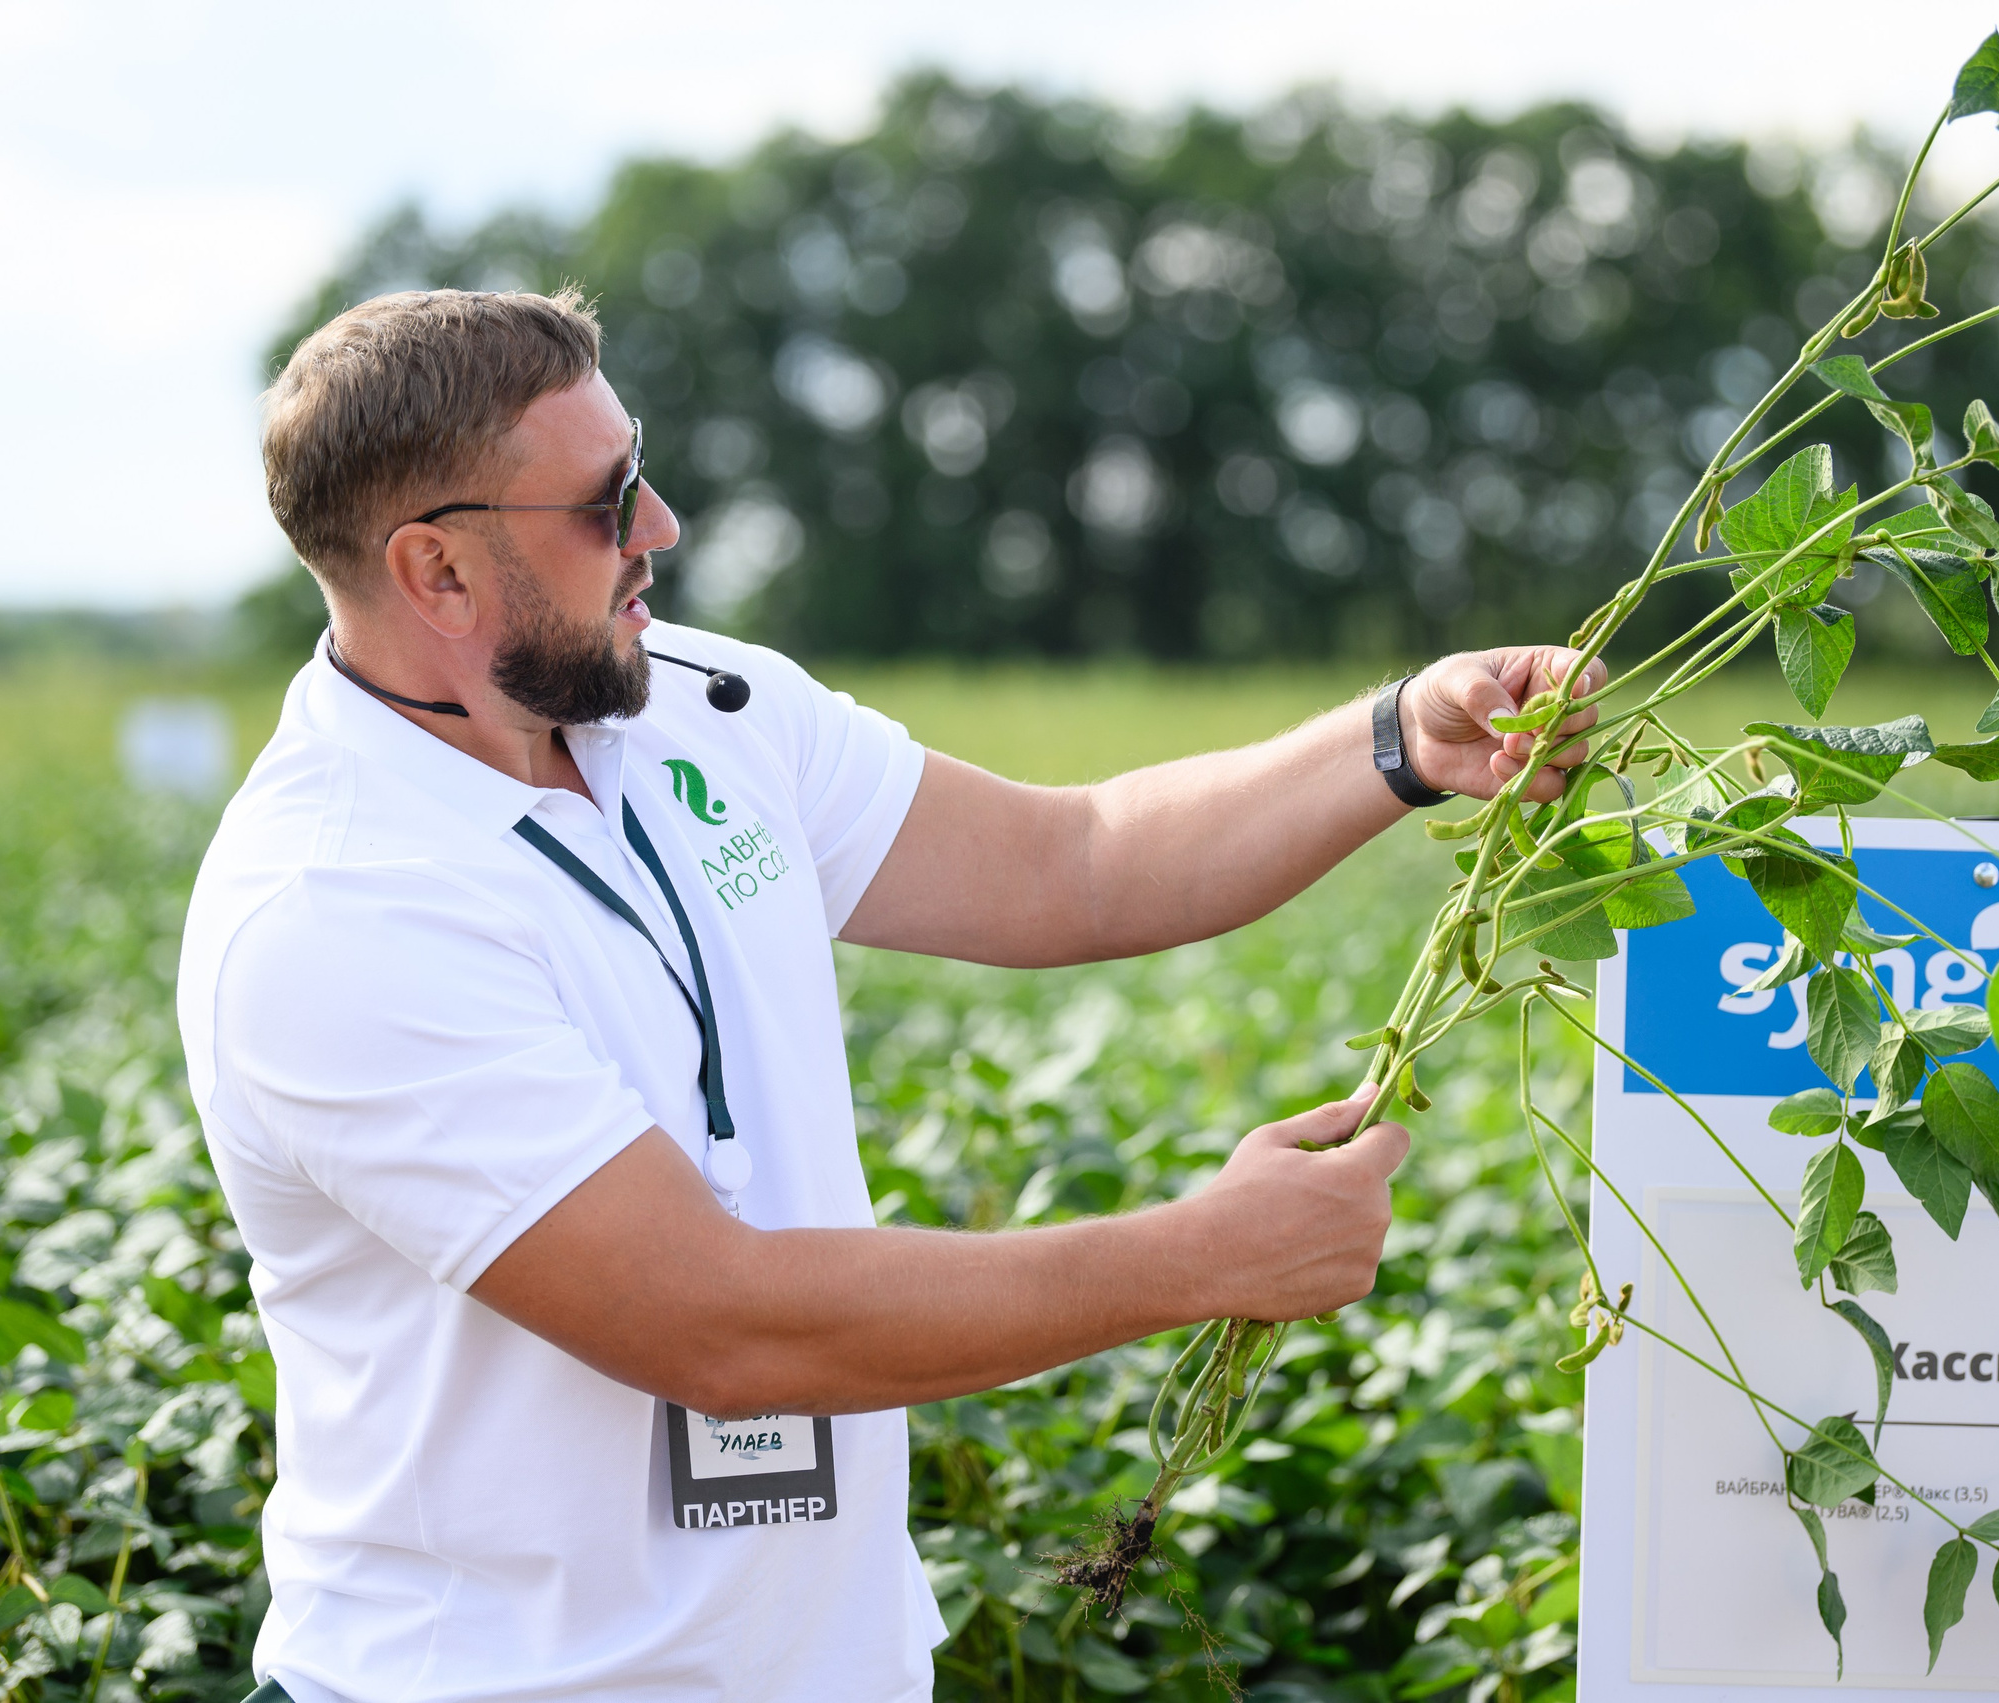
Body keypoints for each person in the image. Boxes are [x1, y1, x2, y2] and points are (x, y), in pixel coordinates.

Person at [176, 286, 1600, 1703]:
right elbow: (722, 1325)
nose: (662, 529)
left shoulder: (699, 704)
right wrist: (1203, 1258)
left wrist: (1401, 739)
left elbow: (1073, 864)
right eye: (608, 503)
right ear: (436, 573)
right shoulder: (337, 908)